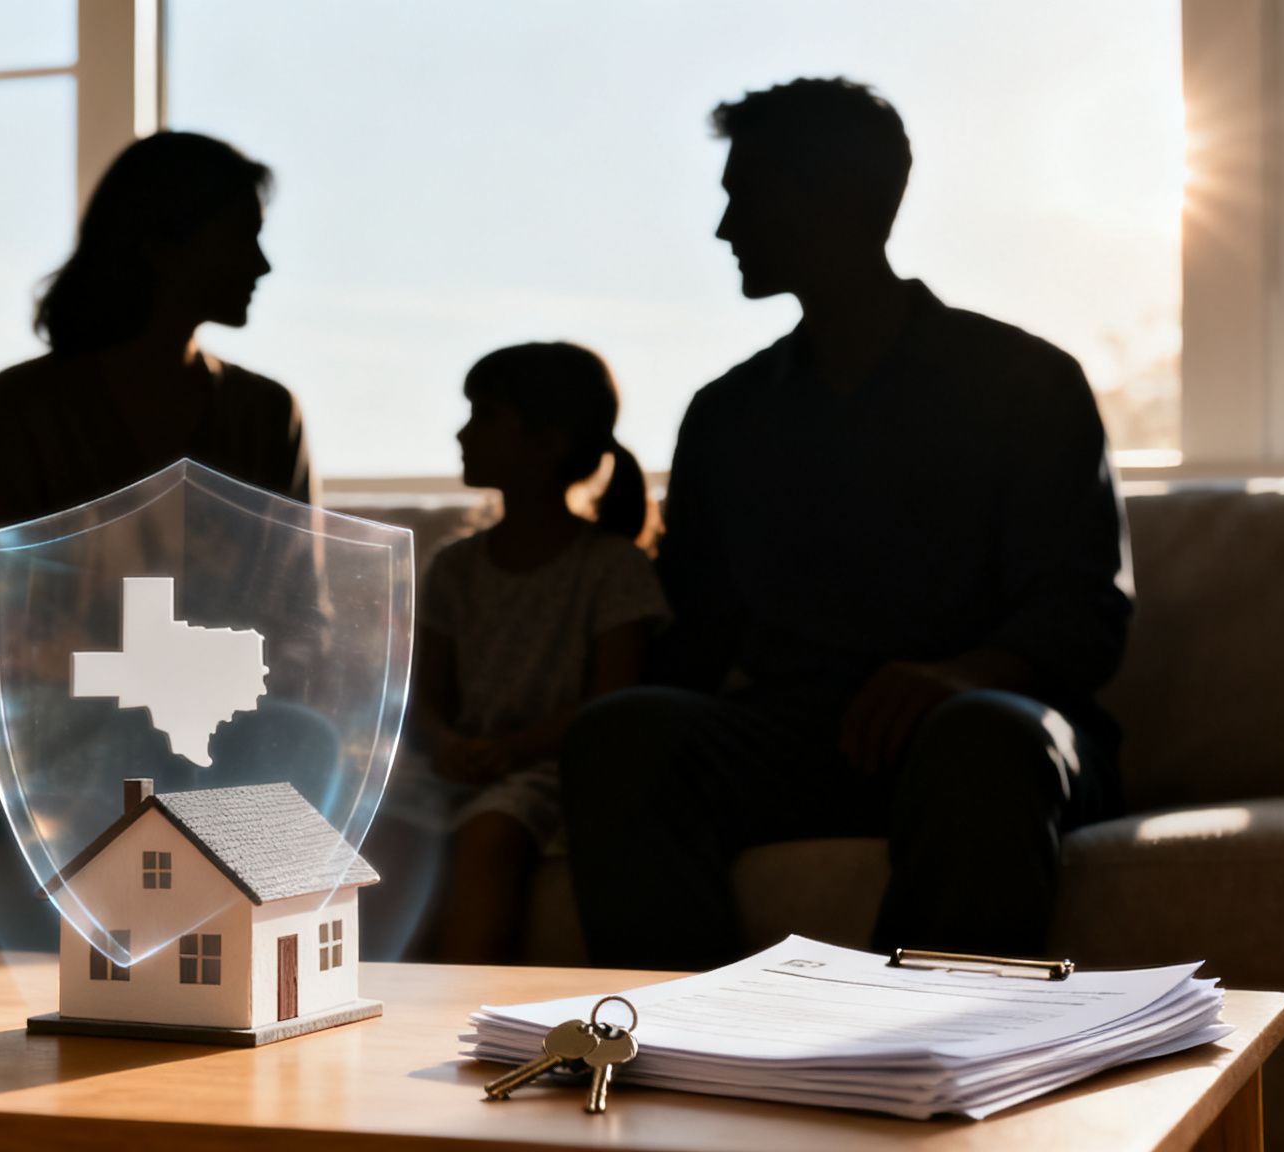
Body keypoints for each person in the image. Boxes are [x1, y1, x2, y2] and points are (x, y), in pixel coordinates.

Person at [560, 78, 1133, 970]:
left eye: (741, 197)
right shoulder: (728, 414)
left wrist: (960, 674)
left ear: (834, 198)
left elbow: (1086, 613)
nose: (723, 230)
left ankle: (928, 1066)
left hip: (995, 738)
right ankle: (685, 1054)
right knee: (624, 734)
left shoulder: (1026, 381)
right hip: (804, 742)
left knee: (985, 739)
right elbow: (693, 632)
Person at [0, 131, 314, 838]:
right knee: (126, 765)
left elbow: (302, 623)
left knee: (307, 746)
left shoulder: (265, 414)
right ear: (164, 240)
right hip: (22, 738)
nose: (263, 263)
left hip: (218, 735)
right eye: (241, 237)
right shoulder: (23, 408)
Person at [409, 342, 668, 963]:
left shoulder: (612, 569)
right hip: (459, 764)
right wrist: (447, 746)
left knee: (491, 833)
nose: (463, 431)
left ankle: (452, 1020)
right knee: (383, 829)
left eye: (485, 415)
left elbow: (610, 706)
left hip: (549, 771)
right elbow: (421, 695)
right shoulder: (455, 568)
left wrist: (509, 751)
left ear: (548, 442)